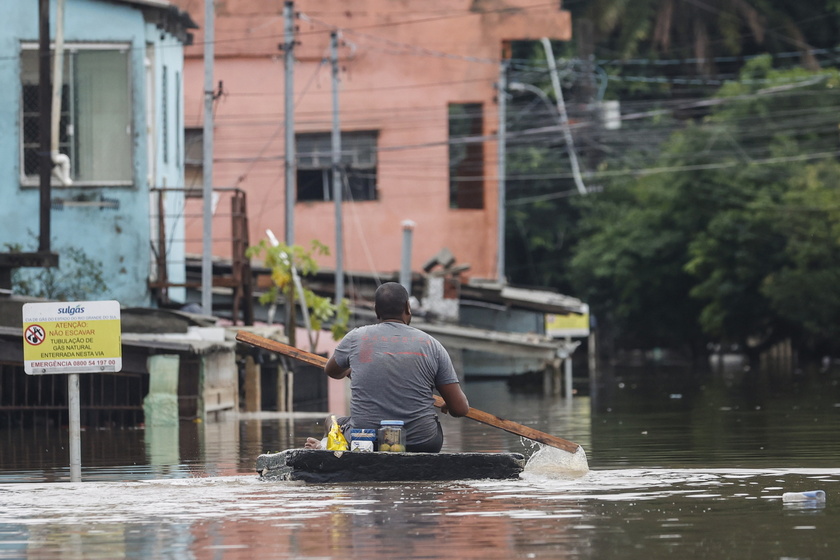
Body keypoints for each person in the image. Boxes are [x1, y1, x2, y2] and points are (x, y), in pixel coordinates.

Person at [305, 282, 470, 452]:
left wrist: (351, 371)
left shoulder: (355, 338)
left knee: (331, 421)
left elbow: (331, 371)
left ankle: (325, 447)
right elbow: (460, 409)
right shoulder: (432, 345)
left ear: (376, 310)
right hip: (423, 442)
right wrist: (450, 403)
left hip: (366, 442)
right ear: (408, 308)